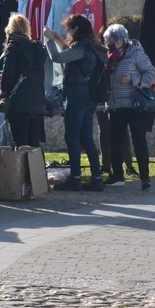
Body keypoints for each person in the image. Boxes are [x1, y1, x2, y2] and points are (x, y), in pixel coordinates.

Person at [43, 15, 107, 192]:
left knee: (72, 136)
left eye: (68, 29)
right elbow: (71, 56)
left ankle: (76, 179)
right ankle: (96, 179)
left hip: (77, 97)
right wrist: (58, 40)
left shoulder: (81, 47)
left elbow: (58, 58)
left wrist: (48, 40)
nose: (66, 31)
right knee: (86, 137)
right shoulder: (94, 47)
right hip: (91, 97)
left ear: (76, 29)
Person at [101, 24, 155, 190]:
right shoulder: (110, 57)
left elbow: (150, 74)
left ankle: (145, 177)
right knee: (115, 141)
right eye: (107, 41)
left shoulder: (136, 54)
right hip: (116, 105)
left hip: (135, 105)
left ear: (120, 41)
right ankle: (117, 175)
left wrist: (132, 79)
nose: (108, 44)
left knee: (139, 140)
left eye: (110, 41)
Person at [0, 15, 47, 147]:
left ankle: (22, 168)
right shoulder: (37, 49)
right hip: (37, 103)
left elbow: (7, 75)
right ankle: (37, 167)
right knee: (34, 144)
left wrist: (3, 93)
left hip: (19, 103)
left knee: (20, 144)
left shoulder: (13, 47)